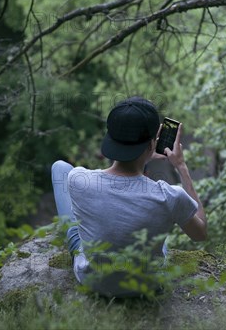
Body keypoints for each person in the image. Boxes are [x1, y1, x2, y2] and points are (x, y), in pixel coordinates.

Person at [51, 96, 207, 297]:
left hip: (92, 281)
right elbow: (200, 234)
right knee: (163, 240)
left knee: (59, 167)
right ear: (152, 144)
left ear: (110, 138)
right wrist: (181, 167)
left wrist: (141, 154)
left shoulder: (78, 180)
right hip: (147, 286)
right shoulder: (170, 196)